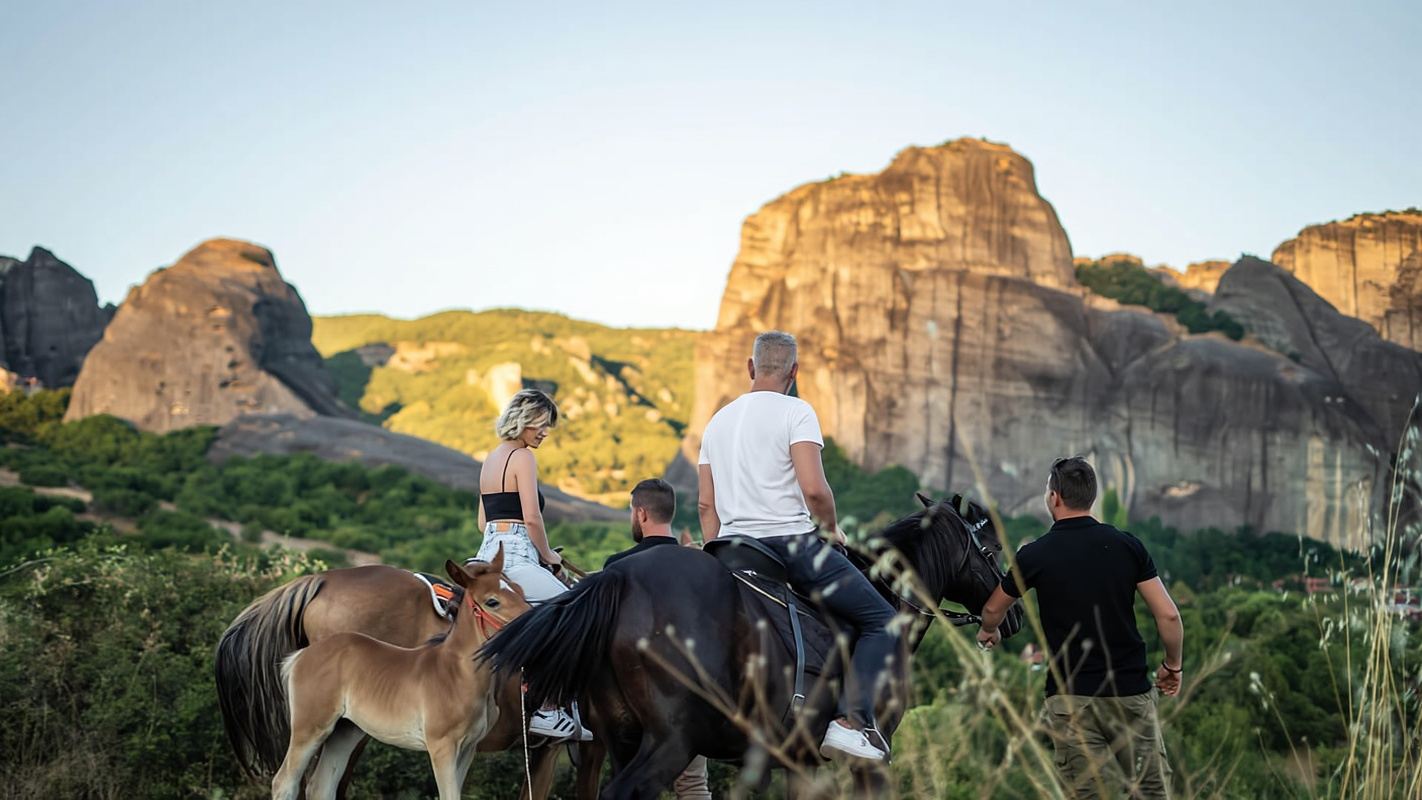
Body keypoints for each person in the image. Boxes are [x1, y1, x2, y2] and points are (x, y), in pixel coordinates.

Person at [697, 330, 899, 762]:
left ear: (751, 368)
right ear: (794, 372)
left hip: (732, 551)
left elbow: (705, 504)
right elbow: (815, 489)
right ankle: (850, 723)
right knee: (883, 619)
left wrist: (716, 552)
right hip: (789, 547)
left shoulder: (717, 421)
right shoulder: (796, 411)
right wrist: (831, 529)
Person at [976, 457, 1182, 799]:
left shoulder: (1034, 554)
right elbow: (1169, 616)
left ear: (1054, 497)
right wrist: (1172, 666)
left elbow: (992, 608)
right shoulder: (1128, 546)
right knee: (1151, 792)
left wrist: (988, 631)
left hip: (1070, 698)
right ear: (1091, 497)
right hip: (1129, 692)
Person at [474, 388, 587, 740]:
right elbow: (533, 519)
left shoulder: (491, 458)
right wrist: (550, 556)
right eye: (541, 424)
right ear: (524, 420)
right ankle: (548, 709)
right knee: (574, 609)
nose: (544, 432)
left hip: (487, 554)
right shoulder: (522, 458)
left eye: (547, 426)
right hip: (518, 554)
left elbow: (483, 521)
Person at [603, 478, 712, 799]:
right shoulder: (699, 565)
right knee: (692, 783)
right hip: (688, 692)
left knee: (629, 780)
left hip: (630, 699)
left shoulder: (617, 566)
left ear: (640, 514)